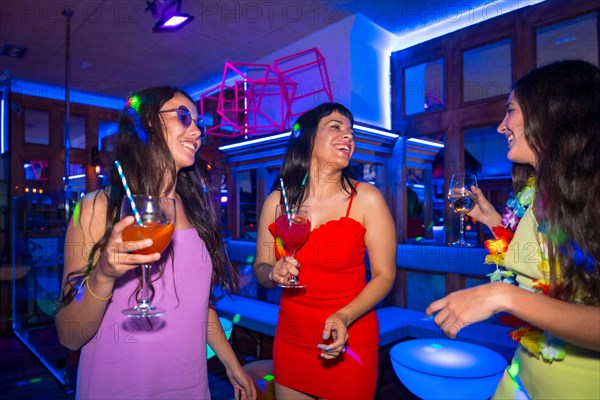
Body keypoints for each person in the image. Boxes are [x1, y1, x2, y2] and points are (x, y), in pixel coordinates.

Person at [55, 86, 256, 400]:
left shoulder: (196, 211)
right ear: (148, 125)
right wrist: (104, 276)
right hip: (118, 388)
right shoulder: (97, 208)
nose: (196, 131)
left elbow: (198, 306)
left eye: (199, 124)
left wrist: (231, 363)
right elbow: (69, 335)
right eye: (183, 117)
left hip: (189, 387)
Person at [426, 60, 600, 399]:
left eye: (511, 111)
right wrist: (492, 222)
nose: (501, 126)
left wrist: (501, 296)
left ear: (551, 112)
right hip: (521, 378)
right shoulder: (536, 192)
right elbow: (535, 266)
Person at [253, 102, 396, 399]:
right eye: (336, 126)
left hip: (349, 337)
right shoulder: (276, 203)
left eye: (351, 131)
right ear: (307, 139)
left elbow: (384, 276)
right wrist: (272, 272)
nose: (349, 136)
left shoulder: (367, 199)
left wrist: (344, 317)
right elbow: (261, 268)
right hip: (292, 337)